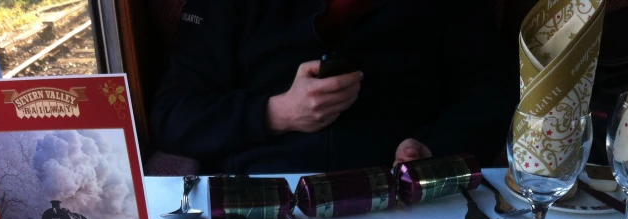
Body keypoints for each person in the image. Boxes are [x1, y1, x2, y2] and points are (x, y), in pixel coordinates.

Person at [151, 0, 517, 175]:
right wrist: (276, 113)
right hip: (261, 200)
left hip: (402, 199)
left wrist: (433, 145)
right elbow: (173, 116)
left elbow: (491, 97)